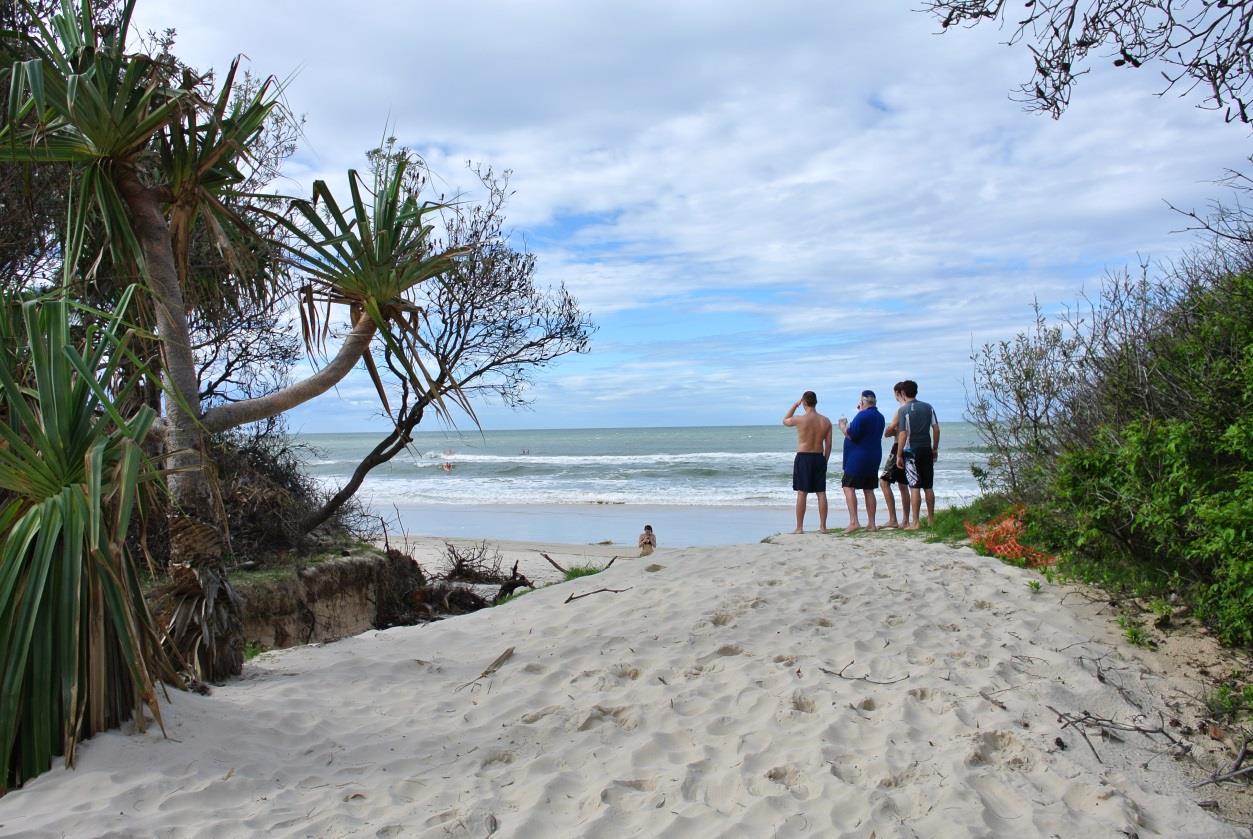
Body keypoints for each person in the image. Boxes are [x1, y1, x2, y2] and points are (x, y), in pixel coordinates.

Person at [783, 391, 833, 534]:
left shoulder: (799, 419)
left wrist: (795, 404)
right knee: (821, 493)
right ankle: (823, 527)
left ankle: (799, 528)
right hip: (818, 457)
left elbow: (785, 420)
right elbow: (828, 445)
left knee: (802, 493)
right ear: (816, 402)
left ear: (804, 403)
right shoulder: (826, 421)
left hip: (804, 457)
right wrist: (825, 460)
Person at [893, 379, 940, 529]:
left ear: (903, 393)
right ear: (916, 391)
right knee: (928, 486)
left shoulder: (903, 410)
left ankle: (916, 522)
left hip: (911, 451)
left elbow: (903, 434)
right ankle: (932, 520)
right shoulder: (928, 407)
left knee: (914, 486)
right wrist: (935, 448)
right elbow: (936, 429)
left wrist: (899, 454)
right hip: (926, 448)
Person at [838, 389, 886, 533]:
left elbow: (852, 435)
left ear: (863, 402)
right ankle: (871, 523)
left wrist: (842, 427)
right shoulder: (880, 416)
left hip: (858, 457)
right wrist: (860, 412)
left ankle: (854, 522)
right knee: (868, 489)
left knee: (848, 486)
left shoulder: (862, 416)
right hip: (873, 455)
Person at [879, 382, 911, 529]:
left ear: (898, 393)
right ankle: (905, 520)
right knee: (903, 485)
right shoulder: (912, 409)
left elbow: (888, 431)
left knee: (884, 482)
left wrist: (891, 429)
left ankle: (893, 519)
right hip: (910, 448)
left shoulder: (900, 410)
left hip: (898, 446)